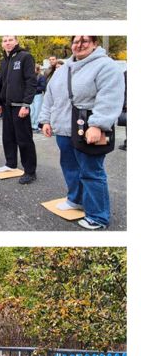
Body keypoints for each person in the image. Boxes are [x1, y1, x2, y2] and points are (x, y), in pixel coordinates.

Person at [39, 36, 124, 230]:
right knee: (70, 168)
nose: (79, 44)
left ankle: (98, 216)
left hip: (87, 129)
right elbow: (50, 96)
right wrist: (44, 120)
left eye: (85, 40)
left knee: (92, 172)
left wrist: (98, 124)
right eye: (76, 41)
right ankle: (75, 199)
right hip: (63, 129)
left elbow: (110, 96)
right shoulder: (64, 69)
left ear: (95, 43)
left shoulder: (106, 66)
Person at [0, 36, 38, 184]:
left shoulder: (25, 57)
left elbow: (31, 81)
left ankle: (30, 171)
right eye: (5, 40)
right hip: (6, 106)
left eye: (10, 39)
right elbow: (1, 82)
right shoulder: (4, 61)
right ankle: (10, 163)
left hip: (20, 106)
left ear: (17, 41)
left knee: (24, 139)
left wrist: (26, 104)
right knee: (7, 137)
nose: (7, 42)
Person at [30, 66, 46, 131]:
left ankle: (36, 125)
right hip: (31, 95)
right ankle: (31, 124)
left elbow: (43, 87)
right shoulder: (30, 76)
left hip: (38, 95)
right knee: (32, 111)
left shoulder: (41, 77)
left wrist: (34, 89)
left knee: (37, 111)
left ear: (37, 70)